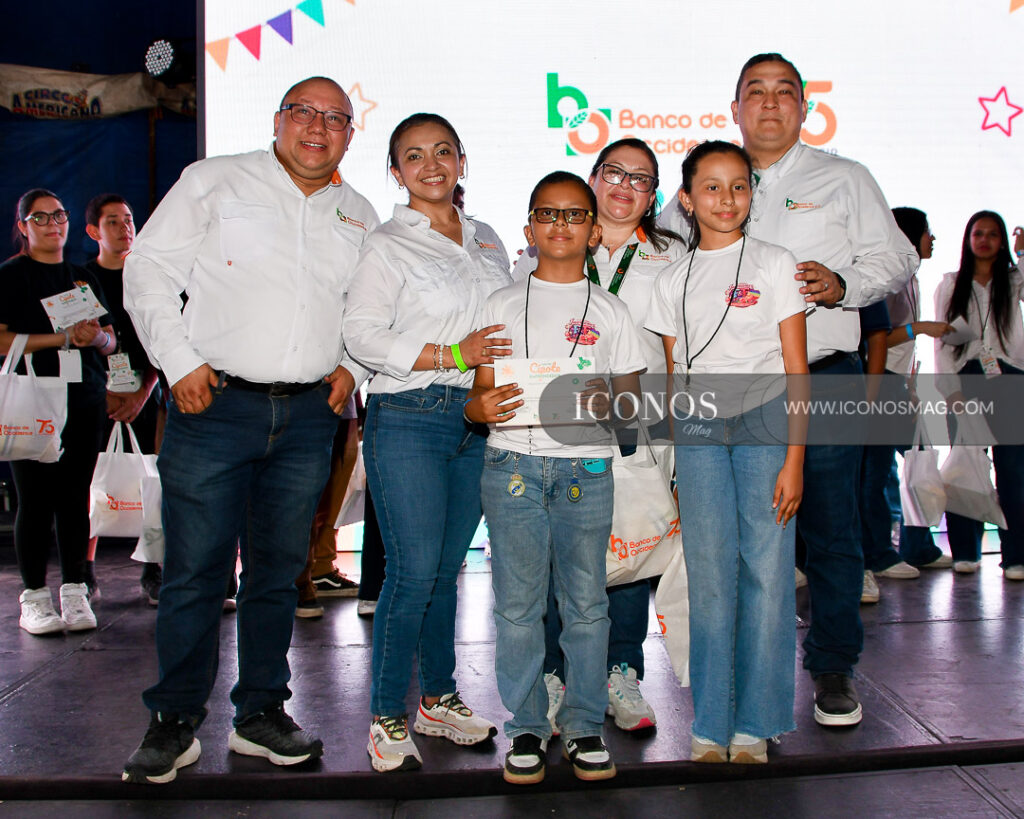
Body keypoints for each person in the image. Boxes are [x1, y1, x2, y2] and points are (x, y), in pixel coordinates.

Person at [120, 76, 379, 784]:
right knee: (196, 573)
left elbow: (367, 310)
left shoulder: (358, 213)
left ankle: (261, 713)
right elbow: (146, 270)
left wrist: (351, 366)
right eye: (304, 112)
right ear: (278, 119)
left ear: (351, 134)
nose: (318, 128)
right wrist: (178, 362)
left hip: (306, 419)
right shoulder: (214, 181)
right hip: (213, 407)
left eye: (336, 118)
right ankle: (174, 719)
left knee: (277, 575)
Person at [731, 53, 917, 727]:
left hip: (827, 373)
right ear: (736, 108)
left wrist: (844, 284)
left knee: (833, 531)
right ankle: (746, 669)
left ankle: (834, 668)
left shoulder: (843, 178)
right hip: (735, 387)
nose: (771, 104)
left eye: (785, 93)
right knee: (743, 535)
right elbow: (669, 260)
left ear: (804, 109)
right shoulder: (712, 181)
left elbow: (899, 256)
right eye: (757, 92)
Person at [343, 113, 510, 773]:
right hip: (409, 412)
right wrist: (449, 350)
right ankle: (387, 714)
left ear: (462, 160)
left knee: (446, 570)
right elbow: (360, 332)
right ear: (396, 171)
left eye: (443, 151)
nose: (432, 164)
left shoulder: (488, 239)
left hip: (480, 417)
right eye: (415, 155)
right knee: (411, 572)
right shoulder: (386, 245)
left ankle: (437, 698)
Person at [468, 170, 645, 784]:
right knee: (517, 609)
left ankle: (584, 725)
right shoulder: (497, 304)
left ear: (595, 231)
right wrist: (479, 409)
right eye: (548, 214)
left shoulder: (615, 312)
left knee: (588, 607)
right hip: (511, 467)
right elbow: (477, 401)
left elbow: (632, 409)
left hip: (586, 470)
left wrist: (612, 410)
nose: (561, 225)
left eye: (574, 215)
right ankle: (525, 728)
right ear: (528, 229)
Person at [514, 139, 685, 733]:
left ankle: (621, 672)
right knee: (561, 556)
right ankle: (557, 674)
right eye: (614, 172)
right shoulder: (540, 252)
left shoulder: (674, 259)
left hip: (643, 425)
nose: (625, 186)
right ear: (592, 177)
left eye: (641, 178)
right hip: (558, 431)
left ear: (654, 194)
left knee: (631, 550)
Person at [646, 140, 808, 764]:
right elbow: (670, 377)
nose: (726, 198)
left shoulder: (774, 261)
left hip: (768, 423)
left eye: (739, 185)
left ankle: (757, 721)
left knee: (766, 574)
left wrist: (794, 459)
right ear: (685, 200)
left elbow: (797, 368)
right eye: (710, 187)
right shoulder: (670, 279)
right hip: (700, 432)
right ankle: (711, 720)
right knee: (709, 576)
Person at [0, 188, 117, 635]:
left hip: (83, 399)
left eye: (59, 216)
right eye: (41, 218)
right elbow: (1, 340)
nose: (53, 225)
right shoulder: (12, 277)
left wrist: (95, 338)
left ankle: (74, 589)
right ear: (23, 226)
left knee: (74, 497)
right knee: (35, 499)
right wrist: (60, 340)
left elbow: (109, 341)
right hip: (31, 401)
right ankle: (34, 597)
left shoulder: (82, 279)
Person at [83, 193, 164, 605]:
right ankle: (83, 574)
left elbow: (164, 343)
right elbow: (75, 342)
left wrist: (142, 392)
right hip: (93, 396)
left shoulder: (150, 276)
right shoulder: (80, 279)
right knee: (87, 481)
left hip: (144, 395)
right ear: (93, 231)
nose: (124, 227)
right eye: (112, 221)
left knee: (152, 482)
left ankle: (153, 572)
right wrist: (105, 393)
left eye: (129, 219)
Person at [934, 211, 1024, 580]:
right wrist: (950, 389)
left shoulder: (1014, 279)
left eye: (992, 234)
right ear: (968, 239)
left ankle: (1016, 554)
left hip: (1010, 376)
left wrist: (1022, 255)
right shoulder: (951, 284)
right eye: (977, 233)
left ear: (1002, 241)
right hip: (966, 379)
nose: (984, 240)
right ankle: (965, 551)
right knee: (965, 465)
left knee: (1014, 470)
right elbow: (942, 341)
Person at [870, 208, 955, 574]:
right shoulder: (887, 279)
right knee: (876, 472)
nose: (932, 239)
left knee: (914, 458)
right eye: (927, 232)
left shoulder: (911, 278)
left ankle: (916, 545)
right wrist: (918, 328)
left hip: (899, 382)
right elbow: (874, 338)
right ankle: (880, 553)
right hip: (880, 380)